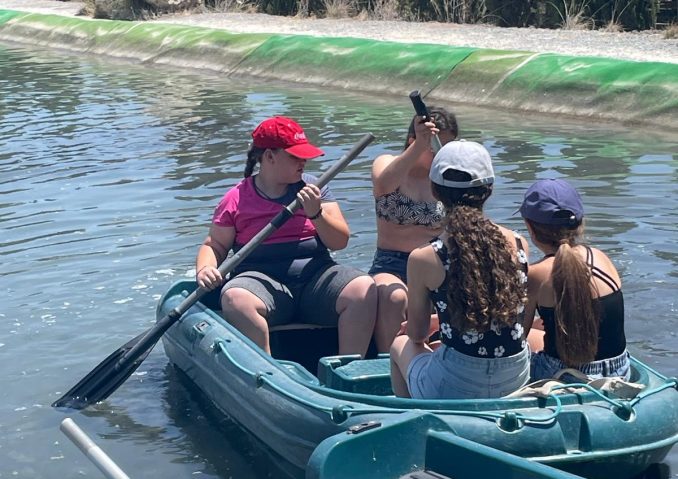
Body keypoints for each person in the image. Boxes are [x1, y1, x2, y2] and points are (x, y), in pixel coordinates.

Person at [195, 116, 377, 356]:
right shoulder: (236, 199)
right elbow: (215, 245)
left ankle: (347, 368)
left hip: (315, 279)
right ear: (269, 157)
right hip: (260, 283)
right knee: (236, 298)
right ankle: (267, 370)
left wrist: (316, 213)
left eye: (304, 156)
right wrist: (205, 269)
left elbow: (339, 242)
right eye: (295, 157)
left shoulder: (315, 188)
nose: (303, 162)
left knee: (363, 287)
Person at [390, 140, 531, 399]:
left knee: (401, 344)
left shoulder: (424, 257)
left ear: (435, 191)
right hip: (515, 377)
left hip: (455, 383)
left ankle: (411, 415)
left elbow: (417, 335)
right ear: (489, 190)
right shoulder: (519, 243)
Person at [519, 179, 630, 382]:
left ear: (530, 228)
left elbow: (517, 338)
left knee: (530, 338)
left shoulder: (535, 275)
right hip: (619, 369)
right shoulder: (601, 258)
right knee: (540, 325)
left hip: (564, 374)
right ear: (580, 224)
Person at [369, 106, 458, 352]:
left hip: (434, 263)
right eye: (435, 147)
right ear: (413, 140)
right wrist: (420, 145)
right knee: (395, 297)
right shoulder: (387, 163)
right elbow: (383, 185)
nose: (441, 155)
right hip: (391, 263)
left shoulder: (447, 178)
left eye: (447, 148)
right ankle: (388, 362)